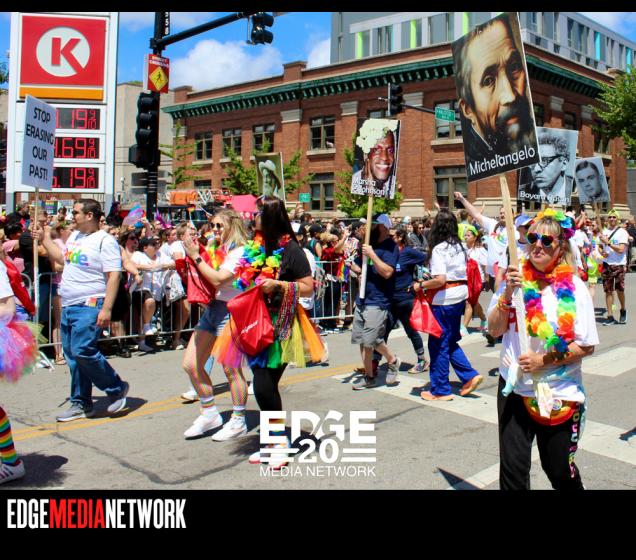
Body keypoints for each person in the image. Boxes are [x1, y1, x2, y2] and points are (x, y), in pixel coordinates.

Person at [487, 210, 598, 490]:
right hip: (513, 389)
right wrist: (507, 295)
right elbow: (494, 330)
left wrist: (542, 361)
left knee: (559, 471)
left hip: (559, 392)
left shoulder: (575, 289)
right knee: (512, 474)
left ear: (561, 248)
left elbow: (586, 345)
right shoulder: (514, 281)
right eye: (533, 237)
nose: (537, 244)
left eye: (546, 241)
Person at [212, 196, 323, 467]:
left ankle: (278, 444)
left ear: (271, 217)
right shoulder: (256, 246)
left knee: (263, 386)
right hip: (254, 322)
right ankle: (273, 442)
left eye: (259, 213)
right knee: (264, 386)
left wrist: (278, 285)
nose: (254, 218)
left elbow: (308, 286)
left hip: (281, 324)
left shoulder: (291, 250)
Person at [33, 199, 130, 422]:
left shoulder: (105, 241)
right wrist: (45, 239)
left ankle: (116, 387)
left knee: (82, 350)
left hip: (90, 303)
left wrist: (106, 308)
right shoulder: (75, 236)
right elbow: (62, 259)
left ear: (89, 216)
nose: (72, 216)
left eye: (76, 212)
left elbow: (114, 275)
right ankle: (81, 402)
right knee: (73, 357)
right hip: (69, 303)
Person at [179, 208, 254, 441]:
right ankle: (209, 412)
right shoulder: (217, 248)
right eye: (212, 225)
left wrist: (196, 256)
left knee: (231, 370)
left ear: (233, 225)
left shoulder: (242, 251)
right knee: (191, 365)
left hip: (231, 311)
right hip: (212, 309)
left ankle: (239, 419)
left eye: (219, 225)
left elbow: (218, 279)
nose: (214, 229)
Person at [452, 13, 537, 178]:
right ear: (468, 109)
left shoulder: (531, 145)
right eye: (488, 81)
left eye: (514, 67)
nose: (510, 96)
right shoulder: (477, 159)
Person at [416, 210, 482, 401]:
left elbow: (440, 279)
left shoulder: (439, 249)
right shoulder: (461, 246)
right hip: (459, 295)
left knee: (438, 344)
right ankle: (469, 376)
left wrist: (420, 285)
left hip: (444, 298)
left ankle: (440, 389)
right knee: (449, 340)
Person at [349, 214, 402, 390]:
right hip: (363, 298)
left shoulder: (391, 247)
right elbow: (358, 266)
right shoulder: (368, 244)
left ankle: (392, 359)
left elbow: (387, 272)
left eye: (374, 225)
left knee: (370, 340)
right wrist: (355, 267)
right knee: (363, 340)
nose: (370, 228)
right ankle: (369, 376)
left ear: (384, 228)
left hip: (378, 299)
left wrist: (372, 254)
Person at [385, 226, 429, 373]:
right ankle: (373, 364)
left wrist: (420, 279)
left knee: (411, 331)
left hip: (405, 299)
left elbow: (425, 258)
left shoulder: (408, 252)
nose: (389, 238)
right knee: (383, 331)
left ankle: (422, 361)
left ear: (400, 237)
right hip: (391, 299)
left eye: (392, 236)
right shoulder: (389, 252)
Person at [130, 236, 174, 353]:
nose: (157, 246)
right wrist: (147, 267)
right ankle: (146, 327)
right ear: (145, 247)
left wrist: (161, 266)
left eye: (158, 243)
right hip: (141, 289)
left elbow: (174, 264)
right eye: (153, 244)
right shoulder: (138, 255)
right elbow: (131, 264)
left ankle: (142, 342)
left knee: (145, 315)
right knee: (148, 304)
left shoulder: (161, 255)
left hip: (158, 290)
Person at [522, 132, 573, 205]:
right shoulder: (523, 192)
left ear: (564, 164)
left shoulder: (578, 189)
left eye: (544, 160)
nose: (536, 169)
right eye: (532, 162)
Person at [351, 120, 398, 198]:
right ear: (366, 154)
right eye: (376, 149)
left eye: (390, 150)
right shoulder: (355, 182)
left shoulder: (394, 184)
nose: (384, 157)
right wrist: (369, 189)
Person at [599, 209, 629, 325]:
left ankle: (623, 309)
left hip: (619, 265)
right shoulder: (604, 231)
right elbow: (599, 246)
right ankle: (610, 316)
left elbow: (621, 249)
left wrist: (608, 243)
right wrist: (602, 252)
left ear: (618, 219)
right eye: (610, 217)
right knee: (608, 291)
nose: (612, 219)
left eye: (614, 217)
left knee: (620, 289)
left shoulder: (622, 232)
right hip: (607, 264)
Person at [461, 225, 488, 336]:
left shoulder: (480, 250)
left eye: (468, 235)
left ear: (475, 237)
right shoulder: (462, 248)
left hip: (478, 281)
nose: (466, 237)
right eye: (465, 235)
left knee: (469, 302)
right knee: (474, 302)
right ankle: (484, 320)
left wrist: (487, 280)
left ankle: (464, 327)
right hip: (466, 280)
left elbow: (485, 266)